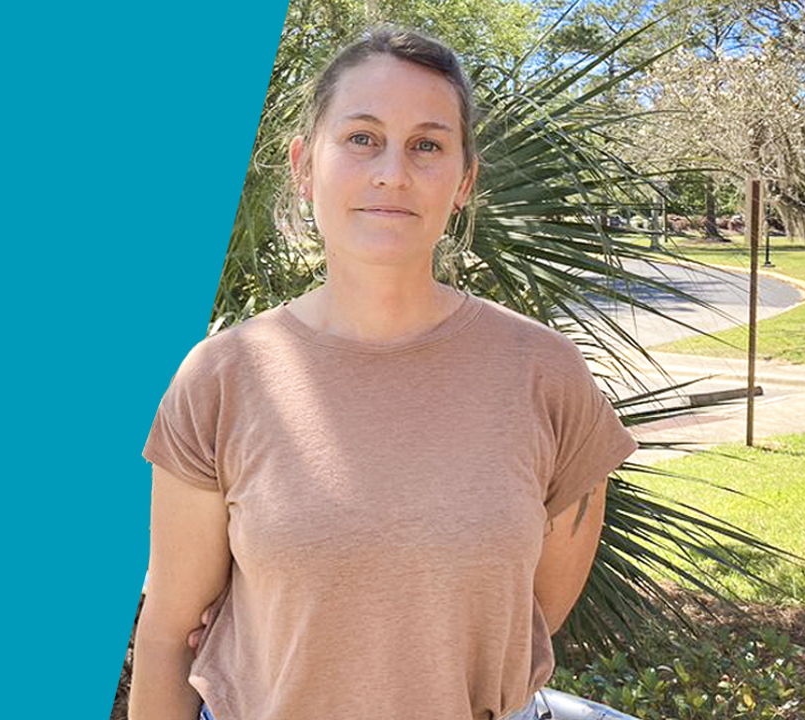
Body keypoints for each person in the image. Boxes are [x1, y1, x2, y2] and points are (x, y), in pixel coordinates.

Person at [129, 26, 637, 720]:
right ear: (305, 166)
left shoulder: (545, 375)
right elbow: (166, 636)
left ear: (464, 182)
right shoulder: (222, 376)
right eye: (361, 138)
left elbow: (533, 614)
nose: (392, 173)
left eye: (427, 145)